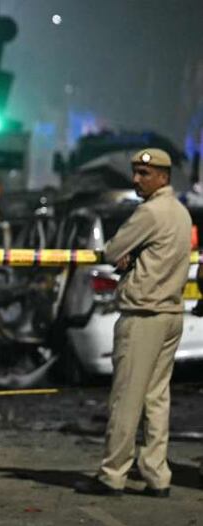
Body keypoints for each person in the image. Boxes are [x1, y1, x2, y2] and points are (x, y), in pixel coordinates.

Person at [75, 148, 192, 498]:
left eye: (145, 173)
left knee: (126, 398)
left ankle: (113, 474)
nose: (137, 179)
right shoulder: (181, 213)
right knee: (157, 398)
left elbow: (112, 251)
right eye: (136, 172)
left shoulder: (150, 212)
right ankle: (157, 475)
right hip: (171, 315)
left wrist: (128, 255)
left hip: (143, 315)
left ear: (163, 177)